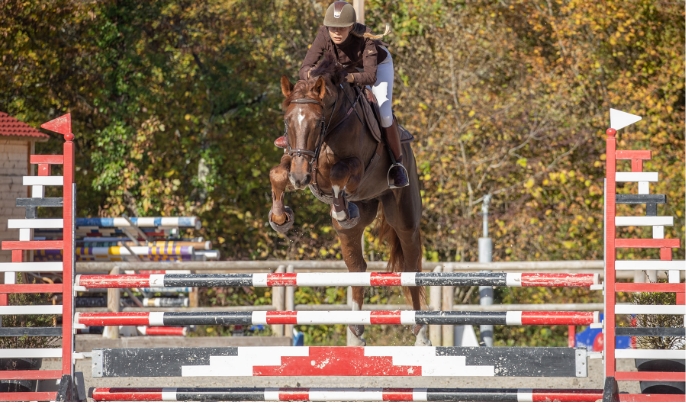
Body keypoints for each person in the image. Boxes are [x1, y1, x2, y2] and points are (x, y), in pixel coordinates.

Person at [275, 1, 409, 188]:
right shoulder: (323, 34)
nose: (337, 32)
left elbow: (370, 76)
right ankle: (296, 140)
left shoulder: (365, 37)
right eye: (333, 28)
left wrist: (347, 77)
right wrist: (314, 76)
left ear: (351, 27)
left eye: (342, 28)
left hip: (376, 68)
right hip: (343, 71)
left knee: (384, 112)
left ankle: (397, 164)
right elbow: (305, 67)